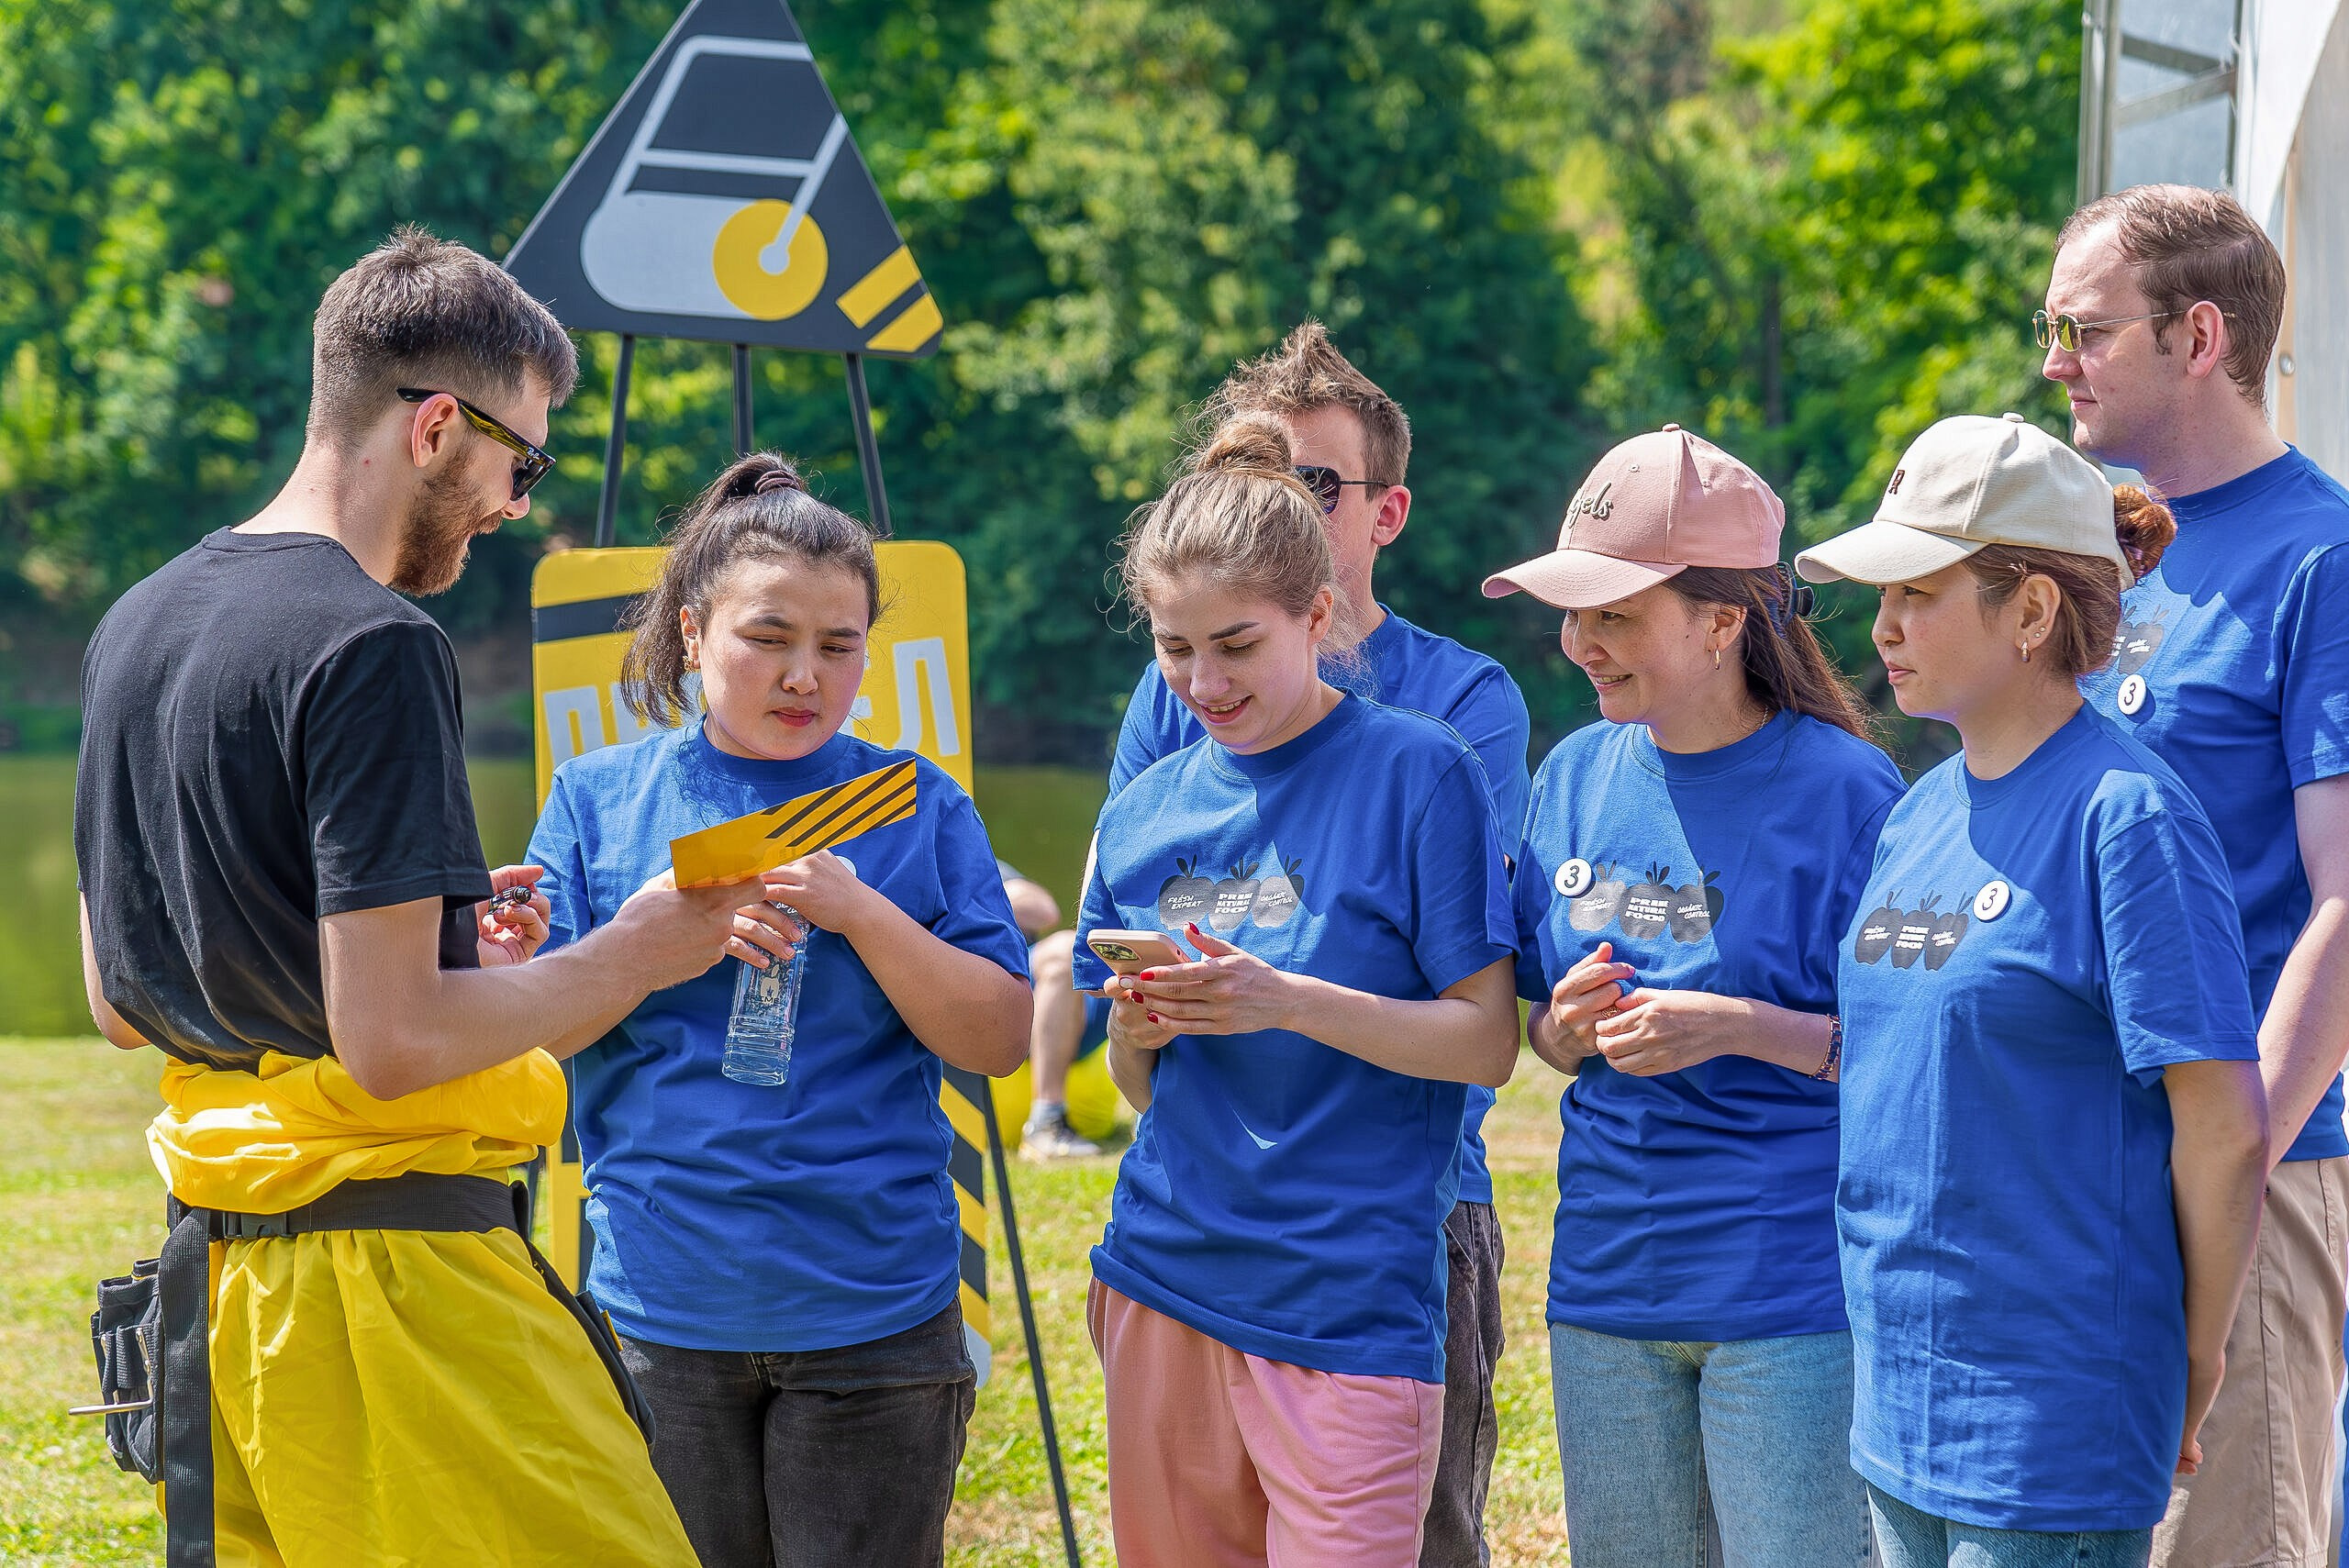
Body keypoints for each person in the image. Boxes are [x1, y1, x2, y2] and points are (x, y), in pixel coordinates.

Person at [72, 228, 797, 1565]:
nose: (519, 501)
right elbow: (393, 1042)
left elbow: (123, 998)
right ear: (435, 428)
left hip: (223, 1295)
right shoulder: (374, 645)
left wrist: (458, 949)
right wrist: (641, 948)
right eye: (522, 461)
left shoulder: (138, 625)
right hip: (401, 1292)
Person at [526, 454, 1033, 1568]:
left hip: (875, 1312)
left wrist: (864, 914)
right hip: (660, 1309)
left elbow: (998, 1038)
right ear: (696, 632)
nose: (805, 674)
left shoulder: (911, 801)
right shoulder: (598, 799)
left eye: (838, 645)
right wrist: (645, 944)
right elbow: (528, 1038)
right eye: (769, 637)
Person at [1797, 413, 2270, 1568]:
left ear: (2031, 609)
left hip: (2049, 1423)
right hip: (1896, 1405)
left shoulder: (2129, 819)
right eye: (1880, 592)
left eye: (1917, 589)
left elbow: (2224, 1126)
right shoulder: (1913, 813)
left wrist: (2193, 1354)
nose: (1883, 626)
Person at [1107, 321, 1531, 1566]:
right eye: (1177, 650)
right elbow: (1135, 1060)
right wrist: (1144, 1024)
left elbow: (1479, 1025)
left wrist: (1282, 994)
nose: (1202, 683)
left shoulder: (1446, 726)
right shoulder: (1162, 752)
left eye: (1234, 647)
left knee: (1432, 1535)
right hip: (1175, 1252)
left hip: (1383, 1235)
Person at [1483, 425, 1901, 1567]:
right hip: (1607, 1284)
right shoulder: (1571, 773)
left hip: (1788, 1294)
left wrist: (1741, 1028)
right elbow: (1537, 1027)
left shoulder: (1849, 789)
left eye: (1613, 613)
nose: (1577, 643)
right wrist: (1561, 1030)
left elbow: (1912, 1051)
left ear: (1723, 622)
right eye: (1573, 612)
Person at [2043, 183, 2349, 1568]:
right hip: (2070, 1165)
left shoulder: (2324, 559)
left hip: (2242, 1173)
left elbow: (2343, 910)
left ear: (2201, 335)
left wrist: (2222, 1179)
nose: (2055, 359)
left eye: (2085, 329)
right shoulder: (2090, 551)